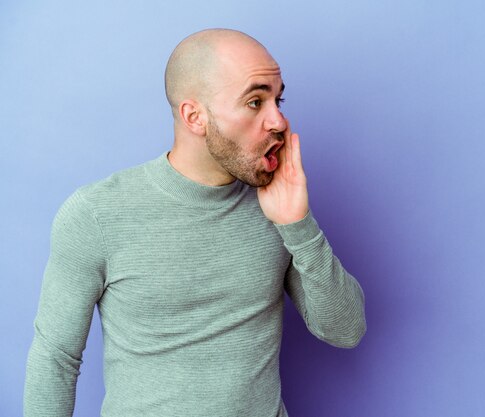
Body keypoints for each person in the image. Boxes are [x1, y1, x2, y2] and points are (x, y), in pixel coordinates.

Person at [23, 28, 366, 416]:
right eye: (255, 102)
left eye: (278, 99)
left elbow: (346, 330)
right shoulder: (96, 213)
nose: (279, 121)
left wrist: (298, 225)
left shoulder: (279, 204)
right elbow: (55, 359)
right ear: (194, 116)